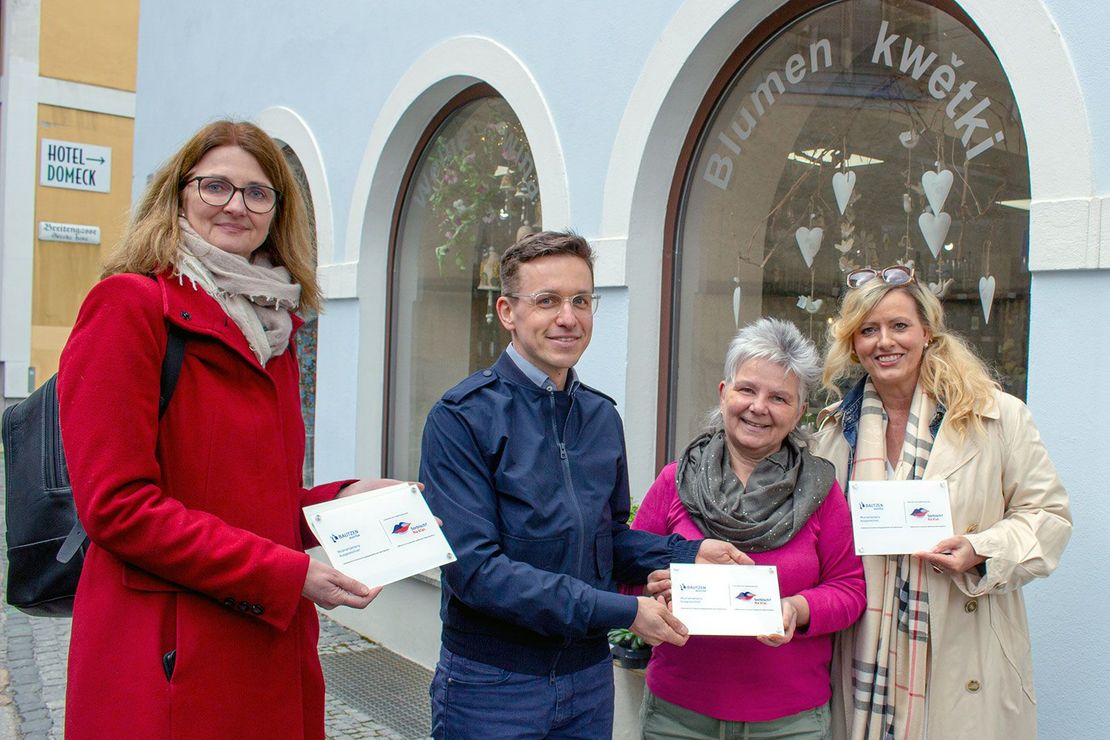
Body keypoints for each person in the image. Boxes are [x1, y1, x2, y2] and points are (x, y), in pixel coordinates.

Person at [58, 121, 397, 739]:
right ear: (178, 194)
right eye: (216, 186)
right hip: (168, 653)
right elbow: (117, 507)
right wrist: (286, 574)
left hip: (264, 645)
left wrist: (340, 502)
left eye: (258, 193)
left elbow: (247, 500)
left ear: (277, 213)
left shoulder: (275, 329)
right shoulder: (130, 306)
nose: (237, 205)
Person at [420, 230, 750, 739]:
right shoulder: (461, 417)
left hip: (587, 681)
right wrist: (625, 611)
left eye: (580, 300)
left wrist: (689, 554)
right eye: (546, 300)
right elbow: (477, 573)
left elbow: (606, 539)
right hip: (493, 686)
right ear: (507, 312)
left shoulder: (600, 416)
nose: (568, 317)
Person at [810, 265, 1072, 739]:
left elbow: (1048, 517)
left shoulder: (996, 416)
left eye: (899, 326)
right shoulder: (832, 431)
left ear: (927, 332)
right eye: (868, 330)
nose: (884, 342)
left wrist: (980, 549)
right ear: (853, 343)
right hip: (861, 649)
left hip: (963, 646)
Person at [631, 318, 865, 739]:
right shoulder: (674, 482)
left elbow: (849, 589)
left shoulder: (820, 492)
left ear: (799, 412)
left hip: (789, 722)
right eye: (747, 390)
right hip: (678, 718)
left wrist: (797, 608)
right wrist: (653, 590)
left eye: (779, 397)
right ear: (724, 393)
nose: (758, 407)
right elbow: (626, 571)